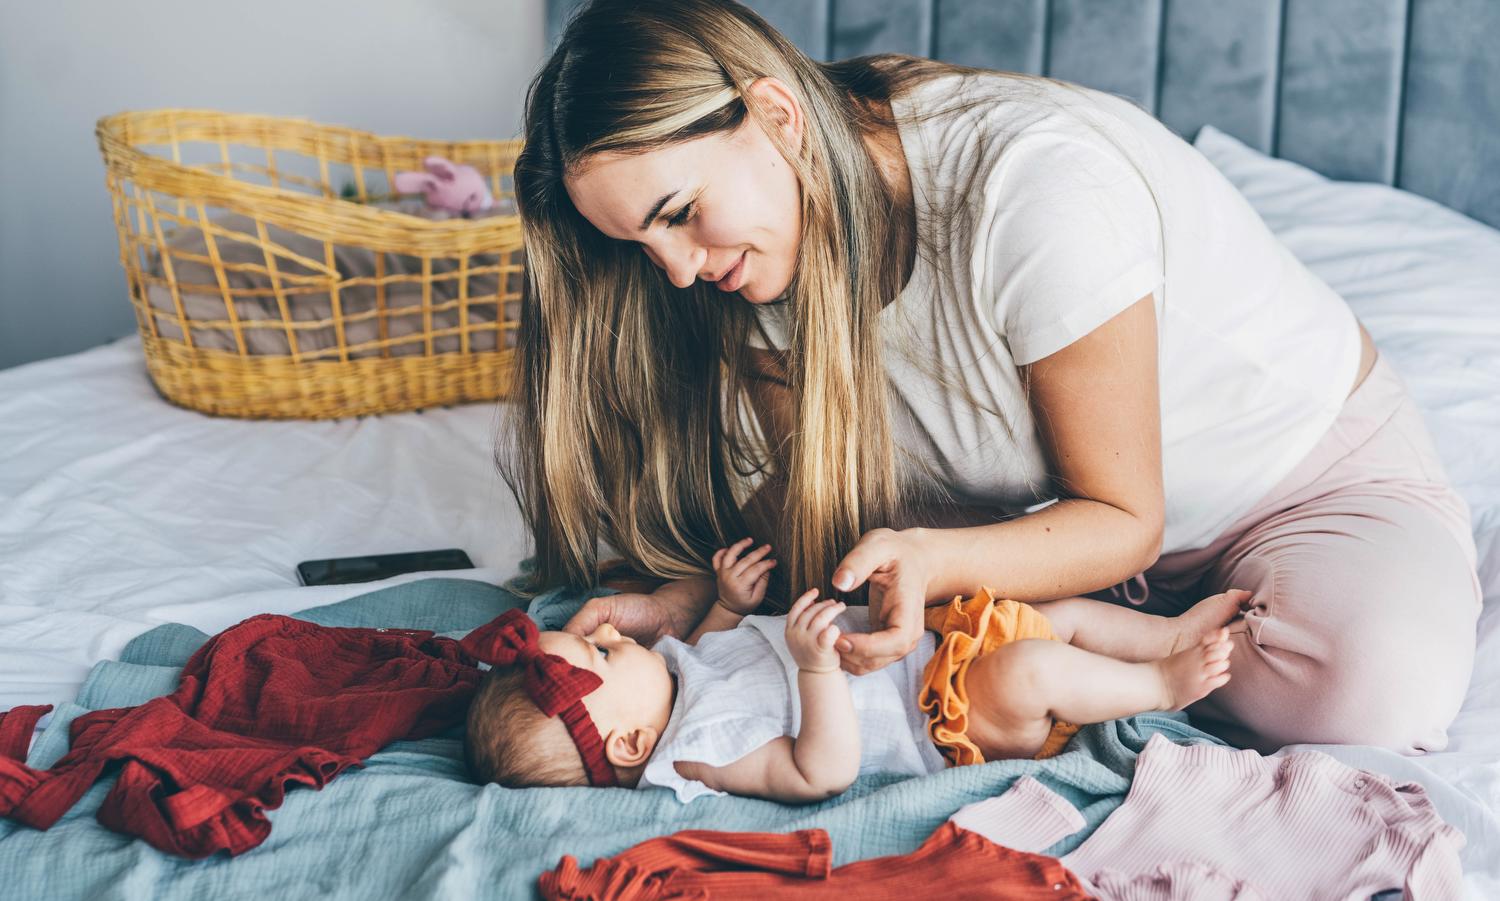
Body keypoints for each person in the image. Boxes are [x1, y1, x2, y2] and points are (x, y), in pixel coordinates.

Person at [498, 0, 1481, 755]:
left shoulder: (1028, 188)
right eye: (638, 243)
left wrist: (948, 571)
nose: (674, 268)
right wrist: (686, 604)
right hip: (1066, 544)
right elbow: (802, 499)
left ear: (777, 115)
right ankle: (1108, 639)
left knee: (1369, 694)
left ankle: (1115, 639)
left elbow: (1122, 517)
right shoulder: (754, 254)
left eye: (678, 213)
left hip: (1293, 486)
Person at [464, 540, 1243, 801]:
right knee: (1032, 669)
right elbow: (819, 772)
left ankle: (1164, 632)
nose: (611, 639)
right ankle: (1162, 686)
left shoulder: (673, 667)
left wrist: (731, 601)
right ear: (632, 745)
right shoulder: (697, 751)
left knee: (1052, 614)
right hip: (947, 721)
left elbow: (713, 639)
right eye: (601, 657)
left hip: (936, 652)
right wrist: (813, 671)